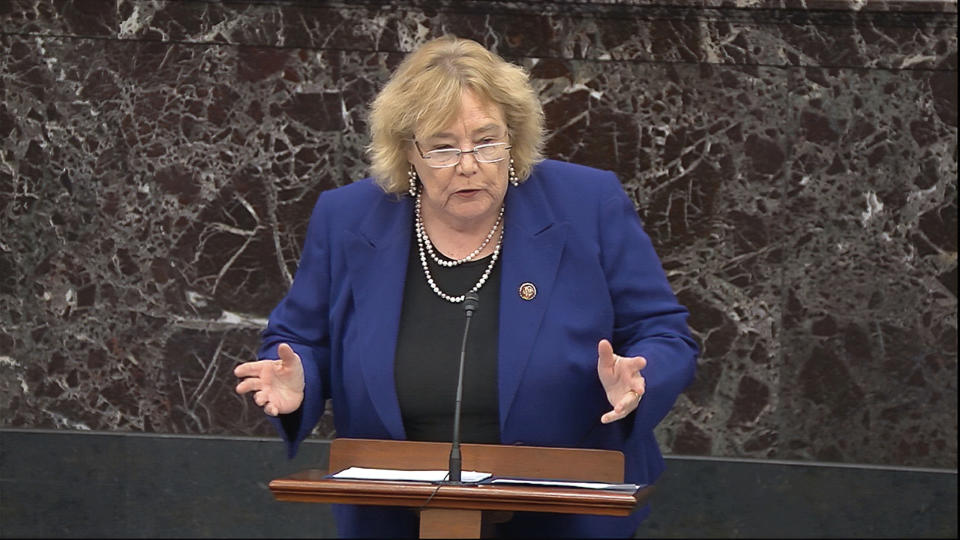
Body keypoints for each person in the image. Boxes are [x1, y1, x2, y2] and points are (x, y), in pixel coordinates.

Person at [234, 34, 698, 538]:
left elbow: (663, 331)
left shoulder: (588, 204)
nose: (469, 163)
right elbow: (301, 340)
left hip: (568, 510)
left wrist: (639, 377)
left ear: (513, 138)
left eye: (486, 140)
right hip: (392, 511)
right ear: (408, 152)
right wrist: (300, 380)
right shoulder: (347, 219)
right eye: (442, 147)